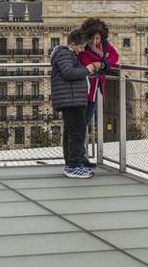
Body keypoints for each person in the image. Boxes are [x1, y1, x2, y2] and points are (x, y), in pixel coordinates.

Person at [51, 29, 99, 178]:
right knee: (77, 133)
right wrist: (87, 69)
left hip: (72, 98)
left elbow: (72, 71)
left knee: (72, 132)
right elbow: (68, 73)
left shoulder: (69, 54)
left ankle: (72, 163)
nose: (82, 50)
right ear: (72, 44)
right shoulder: (65, 53)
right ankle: (73, 166)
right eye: (81, 47)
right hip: (71, 99)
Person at [78, 18, 119, 168]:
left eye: (98, 38)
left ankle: (81, 157)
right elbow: (87, 64)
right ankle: (79, 158)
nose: (95, 41)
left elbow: (115, 56)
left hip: (96, 89)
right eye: (92, 38)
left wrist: (102, 64)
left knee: (85, 124)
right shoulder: (83, 49)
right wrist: (102, 64)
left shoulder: (105, 45)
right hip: (85, 90)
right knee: (82, 125)